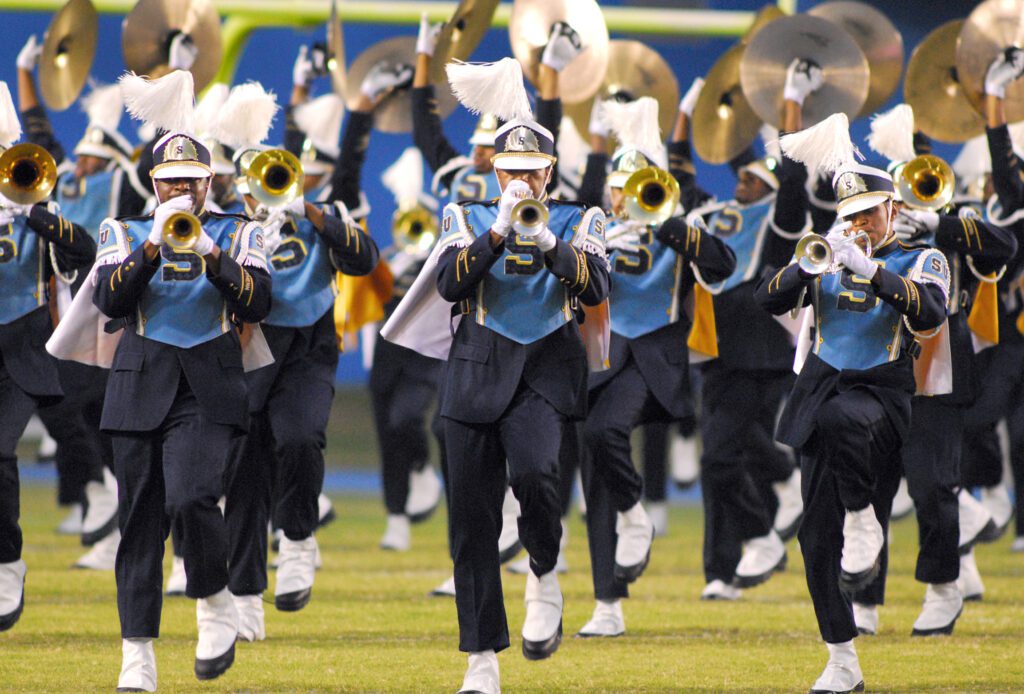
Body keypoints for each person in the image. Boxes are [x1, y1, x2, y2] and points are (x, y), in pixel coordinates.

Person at [383, 55, 608, 693]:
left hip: (544, 372)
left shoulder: (579, 220)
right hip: (476, 373)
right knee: (471, 519)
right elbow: (452, 285)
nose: (517, 181)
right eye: (508, 171)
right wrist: (499, 232)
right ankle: (481, 660)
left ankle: (543, 566)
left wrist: (549, 246)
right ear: (496, 171)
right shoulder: (466, 216)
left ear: (548, 172)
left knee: (538, 476)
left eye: (528, 173)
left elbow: (595, 289)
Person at [84, 70, 272, 691]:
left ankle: (214, 595)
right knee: (138, 522)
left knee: (193, 497)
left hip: (209, 385)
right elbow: (112, 302)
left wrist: (211, 256)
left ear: (207, 183)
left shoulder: (238, 231)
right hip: (139, 386)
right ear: (154, 185)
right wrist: (150, 249)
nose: (181, 193)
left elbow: (259, 300)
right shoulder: (123, 233)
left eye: (192, 183)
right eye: (170, 184)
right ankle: (136, 653)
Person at [756, 147, 949, 692]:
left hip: (881, 395)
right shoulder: (824, 253)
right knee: (815, 541)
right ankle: (841, 658)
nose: (860, 222)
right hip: (819, 394)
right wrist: (805, 264)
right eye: (851, 213)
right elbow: (765, 301)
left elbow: (931, 313)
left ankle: (864, 512)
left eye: (869, 211)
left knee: (845, 418)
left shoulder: (921, 258)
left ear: (891, 207)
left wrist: (872, 269)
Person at [848, 104, 1017, 637]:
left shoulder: (955, 222)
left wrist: (940, 223)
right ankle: (865, 601)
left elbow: (1006, 246)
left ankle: (944, 586)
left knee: (932, 486)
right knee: (873, 485)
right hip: (879, 365)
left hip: (938, 369)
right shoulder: (867, 230)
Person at [218, 80, 378, 635]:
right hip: (246, 350)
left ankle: (298, 537)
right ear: (239, 191)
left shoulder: (320, 212)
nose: (264, 194)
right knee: (243, 471)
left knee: (301, 437)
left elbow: (363, 259)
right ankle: (243, 596)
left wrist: (306, 210)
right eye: (256, 188)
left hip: (307, 348)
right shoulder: (229, 227)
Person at [573, 96, 736, 637]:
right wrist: (592, 250)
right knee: (594, 464)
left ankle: (635, 509)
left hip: (653, 358)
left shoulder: (676, 224)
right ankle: (607, 602)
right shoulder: (595, 225)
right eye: (618, 188)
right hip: (600, 357)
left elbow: (723, 264)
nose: (623, 198)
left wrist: (669, 225)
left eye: (631, 188)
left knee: (604, 430)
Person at [675, 61, 815, 599]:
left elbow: (795, 174)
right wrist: (688, 115)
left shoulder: (781, 225)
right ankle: (724, 568)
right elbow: (679, 181)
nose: (743, 179)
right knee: (724, 459)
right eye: (743, 174)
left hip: (763, 354)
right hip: (718, 352)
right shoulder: (718, 212)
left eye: (756, 176)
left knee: (723, 455)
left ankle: (763, 528)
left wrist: (790, 104)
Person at [0, 81, 96, 632]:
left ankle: (8, 560)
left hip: (19, 349)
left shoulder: (36, 197)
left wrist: (37, 214)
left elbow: (81, 251)